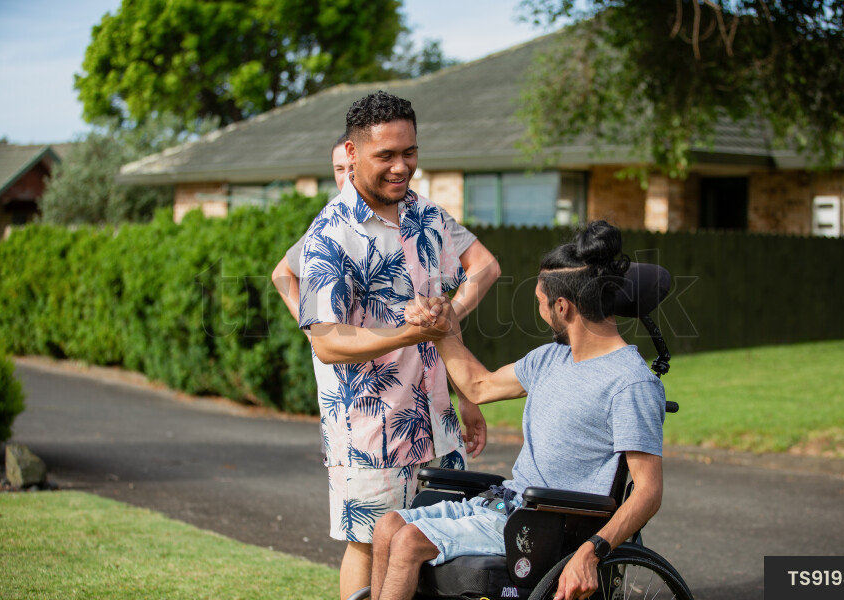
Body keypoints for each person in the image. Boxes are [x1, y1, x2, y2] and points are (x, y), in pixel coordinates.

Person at [369, 221, 666, 600]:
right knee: (387, 527)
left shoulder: (630, 382)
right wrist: (439, 328)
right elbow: (479, 384)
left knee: (409, 541)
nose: (540, 311)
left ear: (563, 307)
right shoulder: (550, 359)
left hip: (546, 528)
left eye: (541, 303)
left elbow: (648, 491)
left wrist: (593, 552)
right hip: (507, 508)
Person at [290, 91, 490, 600]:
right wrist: (411, 332)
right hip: (371, 428)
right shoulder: (328, 237)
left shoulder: (427, 215)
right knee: (366, 545)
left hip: (438, 420)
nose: (402, 167)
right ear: (352, 154)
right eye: (386, 155)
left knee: (434, 542)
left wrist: (467, 393)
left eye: (410, 152)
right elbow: (328, 342)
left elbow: (446, 308)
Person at [272, 135, 501, 325]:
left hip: (423, 371)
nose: (346, 177)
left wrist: (444, 319)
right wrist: (315, 331)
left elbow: (485, 265)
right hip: (360, 375)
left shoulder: (423, 215)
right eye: (339, 169)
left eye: (352, 168)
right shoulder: (330, 225)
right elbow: (283, 273)